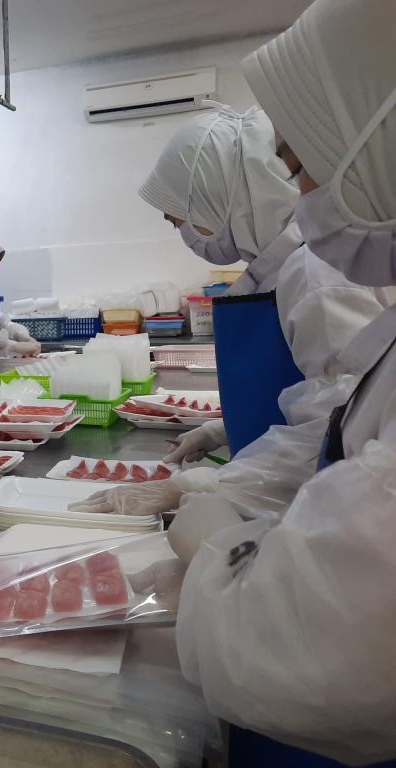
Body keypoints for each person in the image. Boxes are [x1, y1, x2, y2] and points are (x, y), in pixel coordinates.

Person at [167, 2, 396, 764]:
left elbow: (326, 644)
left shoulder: (313, 273)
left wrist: (220, 540)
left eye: (300, 167)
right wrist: (226, 448)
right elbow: (346, 420)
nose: (299, 197)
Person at [135, 102, 384, 459]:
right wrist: (223, 429)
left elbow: (340, 431)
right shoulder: (280, 267)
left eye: (181, 220)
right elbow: (305, 394)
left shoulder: (316, 273)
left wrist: (222, 484)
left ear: (218, 200)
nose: (186, 235)